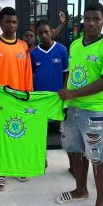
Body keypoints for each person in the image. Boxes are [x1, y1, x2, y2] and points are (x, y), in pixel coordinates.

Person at [56, 3, 103, 206]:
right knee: (74, 151)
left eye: (96, 19)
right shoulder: (74, 45)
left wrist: (72, 93)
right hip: (72, 109)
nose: (91, 23)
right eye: (88, 18)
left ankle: (101, 203)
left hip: (96, 112)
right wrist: (66, 99)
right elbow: (72, 75)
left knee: (98, 157)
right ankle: (80, 189)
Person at [0, 7, 33, 190]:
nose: (11, 25)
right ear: (0, 23)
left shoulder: (23, 46)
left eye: (14, 22)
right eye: (7, 22)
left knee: (18, 131)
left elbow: (28, 73)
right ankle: (0, 172)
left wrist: (29, 94)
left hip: (18, 98)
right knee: (1, 135)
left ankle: (17, 166)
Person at [31, 18, 69, 170]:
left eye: (46, 32)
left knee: (64, 130)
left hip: (57, 97)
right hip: (40, 97)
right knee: (41, 130)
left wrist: (65, 90)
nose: (44, 35)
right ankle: (42, 157)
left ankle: (72, 161)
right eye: (40, 33)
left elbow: (66, 72)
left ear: (51, 31)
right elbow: (31, 75)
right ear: (37, 35)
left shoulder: (62, 50)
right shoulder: (33, 53)